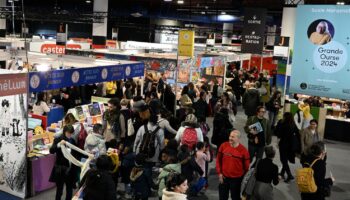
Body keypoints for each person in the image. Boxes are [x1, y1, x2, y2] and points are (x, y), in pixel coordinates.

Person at [216, 130, 250, 200]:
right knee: (222, 197)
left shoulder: (244, 151)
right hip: (224, 178)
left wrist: (241, 178)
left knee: (235, 198)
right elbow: (218, 160)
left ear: (238, 139)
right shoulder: (223, 146)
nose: (230, 138)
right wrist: (219, 173)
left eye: (233, 137)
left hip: (236, 180)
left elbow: (246, 167)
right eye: (230, 136)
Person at [49, 125, 79, 200]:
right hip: (61, 168)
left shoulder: (72, 140)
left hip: (70, 168)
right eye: (68, 133)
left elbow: (76, 153)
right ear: (64, 132)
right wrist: (59, 145)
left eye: (71, 133)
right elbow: (51, 151)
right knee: (59, 190)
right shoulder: (58, 139)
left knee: (69, 189)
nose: (70, 135)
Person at [275, 112, 300, 183]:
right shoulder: (293, 124)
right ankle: (282, 173)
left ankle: (289, 175)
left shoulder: (282, 123)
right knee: (285, 159)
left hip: (283, 145)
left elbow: (277, 133)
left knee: (283, 160)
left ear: (285, 117)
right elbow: (298, 134)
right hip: (291, 146)